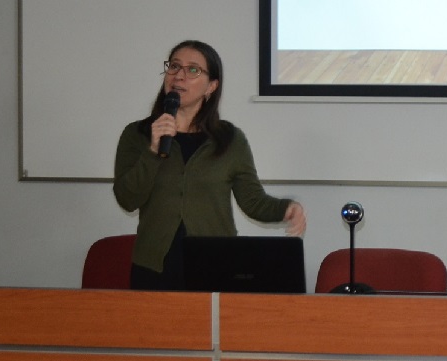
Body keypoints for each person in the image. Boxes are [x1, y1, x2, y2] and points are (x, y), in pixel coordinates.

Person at [113, 40, 306, 290]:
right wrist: (152, 151)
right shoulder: (137, 134)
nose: (180, 75)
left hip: (216, 265)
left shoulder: (229, 139)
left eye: (193, 70)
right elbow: (127, 199)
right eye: (174, 66)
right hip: (154, 269)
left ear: (211, 86)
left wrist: (287, 208)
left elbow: (253, 201)